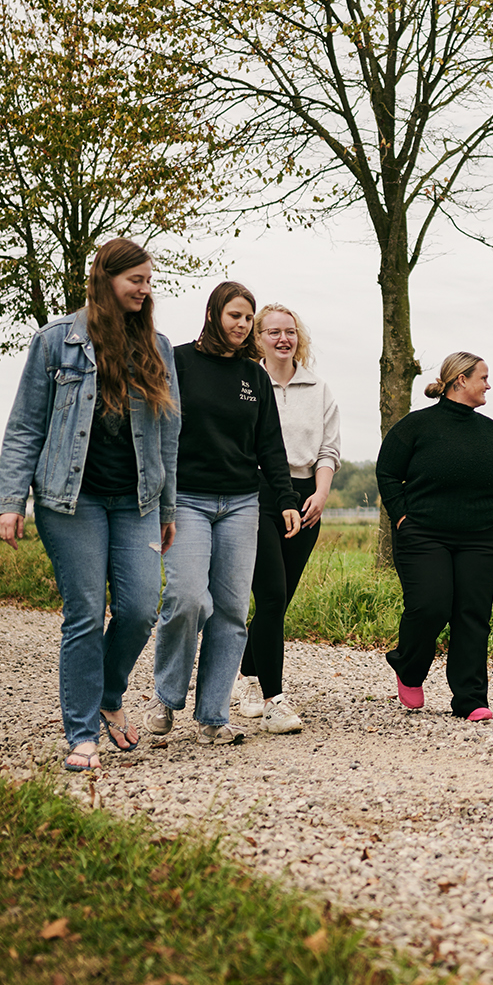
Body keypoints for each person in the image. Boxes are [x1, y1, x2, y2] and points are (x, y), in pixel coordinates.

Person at [0, 238, 180, 772]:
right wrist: (11, 501)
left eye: (149, 281)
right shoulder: (56, 341)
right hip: (69, 500)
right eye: (136, 281)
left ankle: (108, 692)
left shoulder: (158, 346)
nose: (146, 291)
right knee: (82, 614)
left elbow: (168, 434)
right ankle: (81, 734)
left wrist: (167, 508)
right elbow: (26, 425)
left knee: (142, 607)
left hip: (137, 500)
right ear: (106, 278)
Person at [149, 281, 301, 745]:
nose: (242, 325)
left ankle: (213, 715)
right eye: (235, 315)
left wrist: (287, 499)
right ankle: (166, 696)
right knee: (189, 598)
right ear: (214, 313)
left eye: (247, 318)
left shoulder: (253, 376)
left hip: (240, 503)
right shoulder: (176, 361)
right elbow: (153, 428)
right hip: (186, 500)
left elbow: (270, 445)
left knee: (232, 610)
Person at [376, 352, 493, 721]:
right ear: (460, 381)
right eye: (483, 377)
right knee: (431, 605)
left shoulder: (491, 430)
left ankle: (470, 698)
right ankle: (408, 666)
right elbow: (387, 473)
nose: (488, 384)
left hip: (482, 536)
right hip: (424, 532)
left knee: (472, 614)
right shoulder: (415, 426)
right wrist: (402, 516)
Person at [235, 303, 341, 733]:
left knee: (281, 598)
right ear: (256, 338)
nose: (283, 339)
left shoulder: (319, 388)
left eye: (290, 332)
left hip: (304, 492)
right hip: (259, 494)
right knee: (273, 594)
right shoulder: (247, 383)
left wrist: (320, 491)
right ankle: (267, 695)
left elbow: (328, 449)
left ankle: (246, 673)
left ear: (299, 337)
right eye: (273, 332)